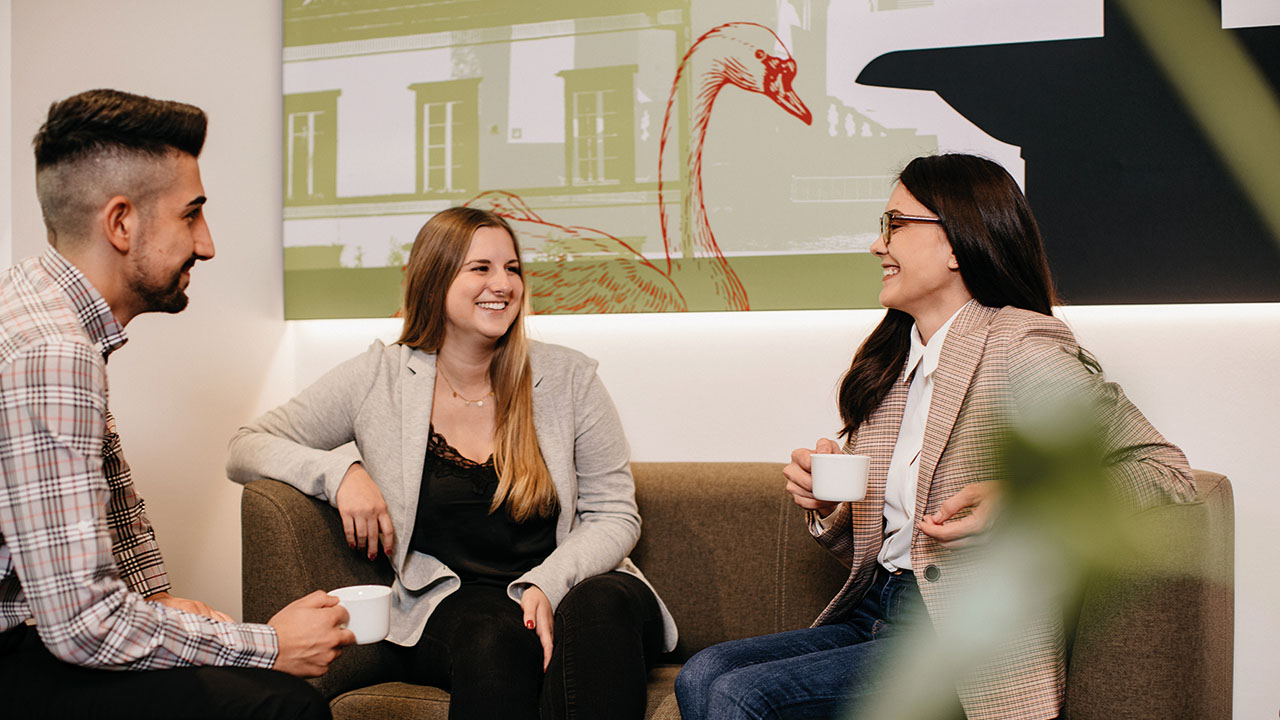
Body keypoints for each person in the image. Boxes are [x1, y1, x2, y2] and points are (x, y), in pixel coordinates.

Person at [673, 153, 1196, 720]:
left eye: (895, 224)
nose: (877, 245)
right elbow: (895, 539)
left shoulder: (1021, 347)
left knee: (742, 695)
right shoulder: (893, 361)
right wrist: (830, 505)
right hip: (877, 609)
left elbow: (1164, 470)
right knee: (702, 673)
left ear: (956, 245)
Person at [226, 206, 677, 720]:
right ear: (435, 278)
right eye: (481, 268)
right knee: (494, 635)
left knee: (600, 609)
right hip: (459, 602)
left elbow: (614, 515)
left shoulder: (570, 378)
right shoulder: (378, 377)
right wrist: (340, 473)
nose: (503, 284)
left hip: (578, 585)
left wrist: (545, 585)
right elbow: (245, 446)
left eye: (512, 269)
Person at [0, 89, 353, 719]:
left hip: (32, 633)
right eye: (191, 215)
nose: (207, 244)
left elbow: (108, 491)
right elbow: (83, 625)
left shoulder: (38, 301)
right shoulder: (52, 352)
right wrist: (268, 645)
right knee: (283, 705)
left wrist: (156, 599)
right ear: (121, 223)